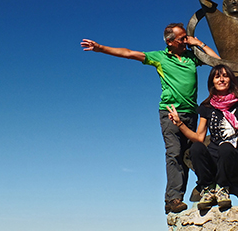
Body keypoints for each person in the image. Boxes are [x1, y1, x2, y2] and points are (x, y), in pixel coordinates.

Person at [80, 23, 220, 214]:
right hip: (170, 113)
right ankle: (173, 199)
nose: (185, 41)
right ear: (170, 42)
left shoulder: (191, 56)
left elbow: (218, 62)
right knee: (174, 153)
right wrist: (100, 48)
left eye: (186, 38)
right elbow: (129, 53)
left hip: (191, 113)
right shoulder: (160, 57)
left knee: (190, 154)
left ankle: (201, 191)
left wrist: (198, 43)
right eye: (182, 39)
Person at [167, 64, 238, 211]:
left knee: (225, 147)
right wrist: (179, 123)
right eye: (217, 77)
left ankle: (223, 188)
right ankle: (207, 188)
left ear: (230, 80)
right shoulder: (207, 107)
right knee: (196, 147)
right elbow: (199, 137)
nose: (221, 79)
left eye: (225, 76)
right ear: (212, 82)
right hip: (213, 159)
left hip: (233, 159)